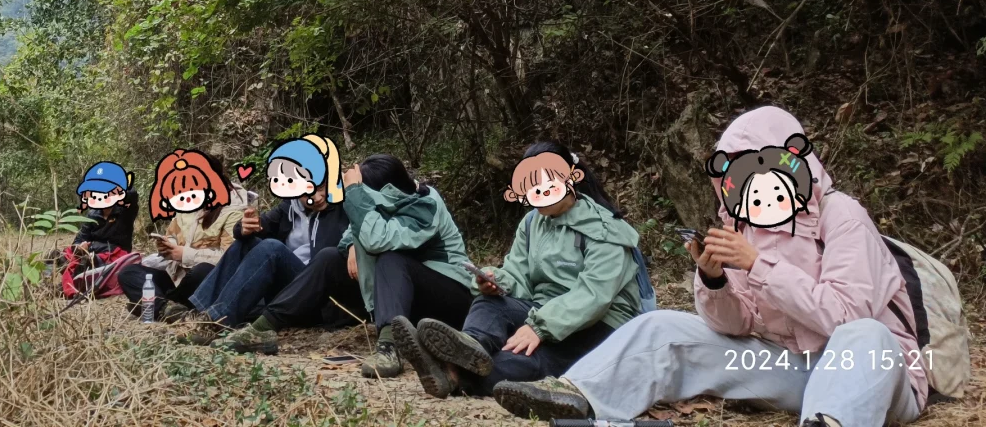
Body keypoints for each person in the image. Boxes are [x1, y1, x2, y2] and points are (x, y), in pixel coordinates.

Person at [493, 107, 928, 427]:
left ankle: (830, 420)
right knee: (663, 326)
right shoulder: (745, 229)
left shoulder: (842, 216)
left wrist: (759, 266)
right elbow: (737, 326)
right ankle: (579, 394)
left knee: (866, 334)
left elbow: (846, 316)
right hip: (793, 367)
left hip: (872, 373)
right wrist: (714, 279)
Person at [393, 142, 644, 398]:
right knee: (490, 304)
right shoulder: (533, 221)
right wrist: (495, 281)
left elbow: (594, 296)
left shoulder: (606, 229)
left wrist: (539, 328)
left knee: (525, 357)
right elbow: (518, 275)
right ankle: (468, 349)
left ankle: (453, 372)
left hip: (602, 324)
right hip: (543, 310)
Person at [185, 134, 364, 352]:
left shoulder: (345, 205)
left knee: (272, 248)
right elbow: (256, 227)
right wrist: (244, 227)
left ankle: (218, 321)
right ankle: (203, 314)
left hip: (320, 292)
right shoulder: (288, 208)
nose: (317, 197)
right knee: (246, 242)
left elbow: (367, 223)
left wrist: (354, 242)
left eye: (322, 187)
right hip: (289, 287)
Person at [337, 153, 474, 378]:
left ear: (389, 189)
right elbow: (354, 231)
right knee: (329, 258)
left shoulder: (426, 206)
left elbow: (375, 239)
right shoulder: (392, 199)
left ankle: (389, 348)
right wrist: (352, 243)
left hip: (454, 294)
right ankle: (267, 323)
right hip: (413, 290)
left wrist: (354, 193)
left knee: (390, 258)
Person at [117, 149, 249, 313]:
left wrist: (185, 255)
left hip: (207, 280)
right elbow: (172, 235)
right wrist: (167, 246)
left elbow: (232, 258)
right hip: (177, 278)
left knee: (202, 271)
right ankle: (167, 308)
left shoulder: (234, 210)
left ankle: (156, 304)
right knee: (128, 272)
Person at [60, 160, 140, 299]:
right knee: (62, 255)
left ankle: (79, 285)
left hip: (115, 253)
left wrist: (117, 182)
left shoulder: (125, 212)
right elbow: (80, 238)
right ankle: (57, 279)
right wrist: (80, 246)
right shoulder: (93, 214)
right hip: (91, 250)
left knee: (90, 261)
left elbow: (133, 195)